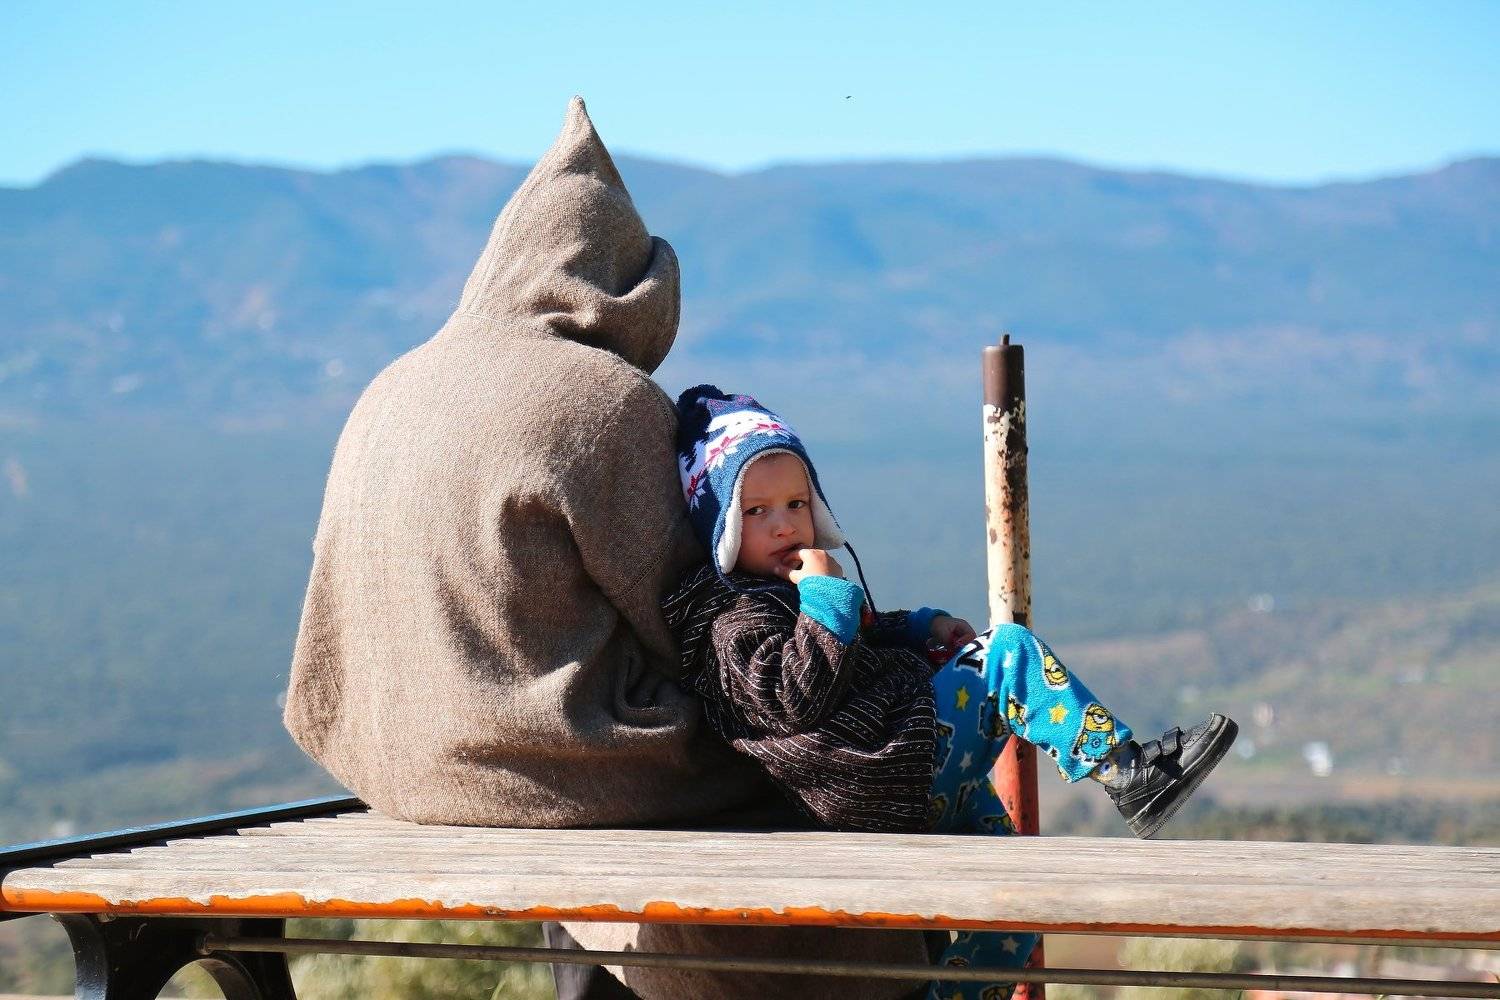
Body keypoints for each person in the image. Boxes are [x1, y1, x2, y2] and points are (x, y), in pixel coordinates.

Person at [282, 98, 938, 1000]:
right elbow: (692, 623)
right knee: (830, 751)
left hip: (393, 765)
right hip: (548, 771)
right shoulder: (601, 400)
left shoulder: (388, 387)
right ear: (634, 293)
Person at [665, 385, 1239, 1000]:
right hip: (884, 769)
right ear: (721, 525)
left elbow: (858, 639)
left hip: (895, 774)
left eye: (796, 503)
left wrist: (921, 627)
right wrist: (828, 598)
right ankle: (1128, 773)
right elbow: (791, 696)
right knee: (1008, 655)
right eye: (756, 511)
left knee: (1017, 891)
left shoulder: (782, 593)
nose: (783, 524)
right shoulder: (731, 620)